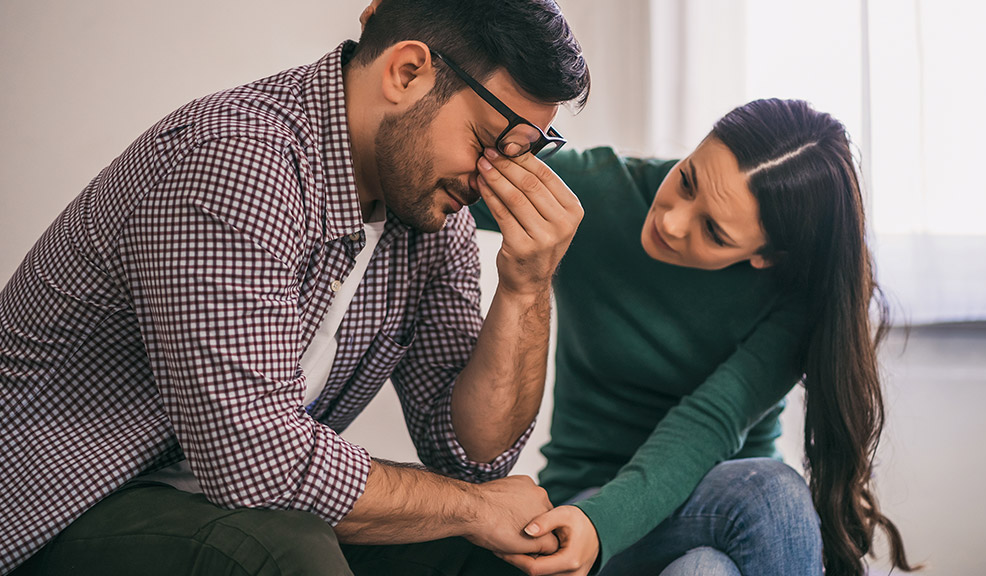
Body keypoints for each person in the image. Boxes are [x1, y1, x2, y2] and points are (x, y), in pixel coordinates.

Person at [0, 0, 590, 574]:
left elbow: (471, 457)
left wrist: (525, 286)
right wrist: (474, 509)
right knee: (279, 546)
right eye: (490, 142)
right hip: (58, 511)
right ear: (407, 72)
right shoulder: (237, 158)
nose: (493, 179)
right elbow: (254, 464)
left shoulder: (431, 216)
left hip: (215, 509)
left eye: (523, 153)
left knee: (506, 556)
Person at [472, 99, 918, 576]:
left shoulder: (799, 296)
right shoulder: (596, 196)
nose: (672, 222)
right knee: (768, 494)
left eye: (714, 231)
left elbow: (708, 422)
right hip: (585, 512)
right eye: (687, 180)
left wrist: (599, 528)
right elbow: (444, 174)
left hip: (727, 514)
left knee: (706, 569)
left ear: (767, 256)